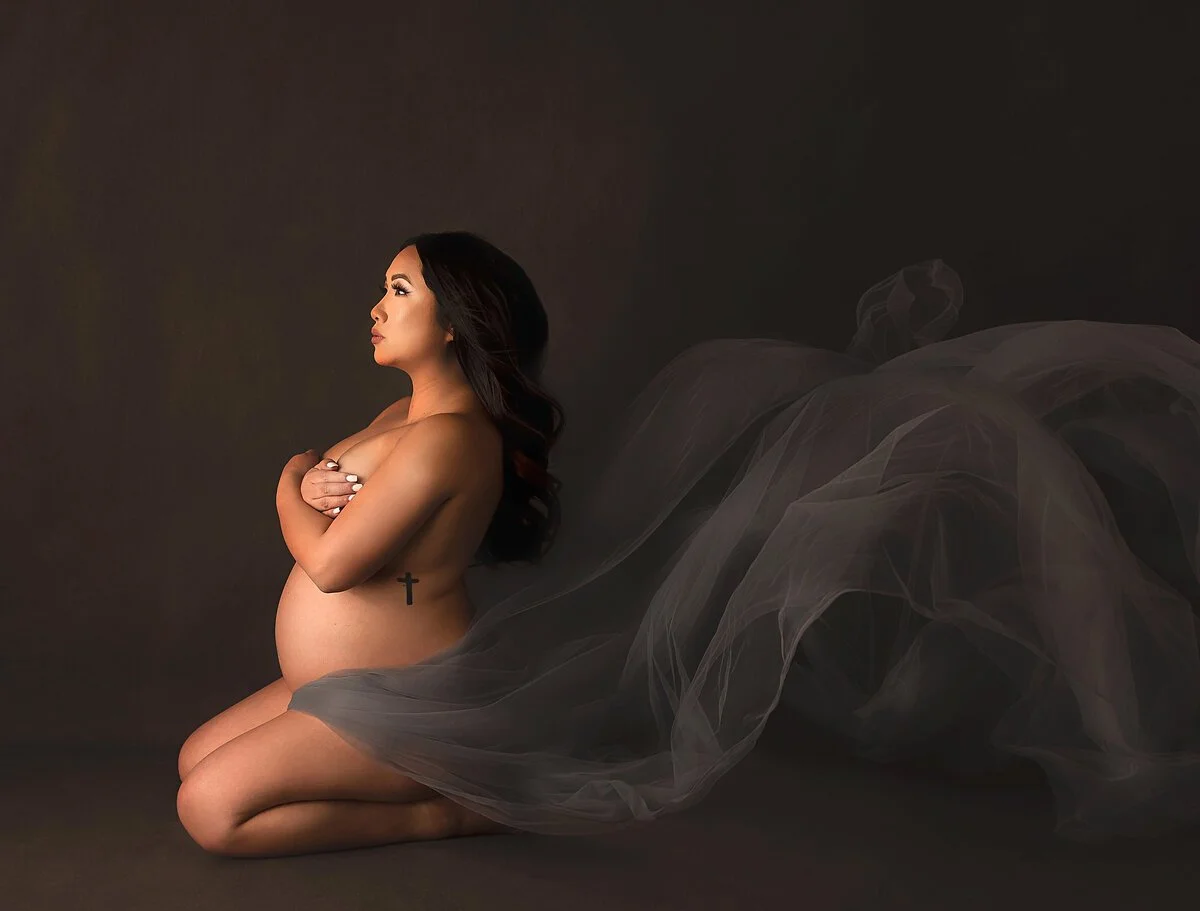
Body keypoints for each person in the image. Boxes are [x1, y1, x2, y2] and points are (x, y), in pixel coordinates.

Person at [286, 233, 1200, 844]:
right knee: (188, 768)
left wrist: (285, 483)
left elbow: (327, 563)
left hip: (394, 686)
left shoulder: (447, 436)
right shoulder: (401, 411)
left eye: (397, 289)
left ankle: (456, 809)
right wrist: (306, 468)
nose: (376, 303)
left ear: (453, 320)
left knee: (212, 808)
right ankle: (448, 785)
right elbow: (335, 511)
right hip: (343, 684)